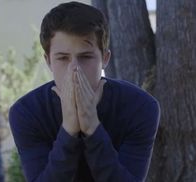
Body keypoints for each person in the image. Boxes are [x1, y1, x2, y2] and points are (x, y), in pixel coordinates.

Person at [9, 2, 160, 182]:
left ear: (105, 59)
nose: (75, 69)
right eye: (63, 58)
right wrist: (68, 130)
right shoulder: (27, 112)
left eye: (86, 57)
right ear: (48, 61)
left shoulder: (140, 107)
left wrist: (92, 127)